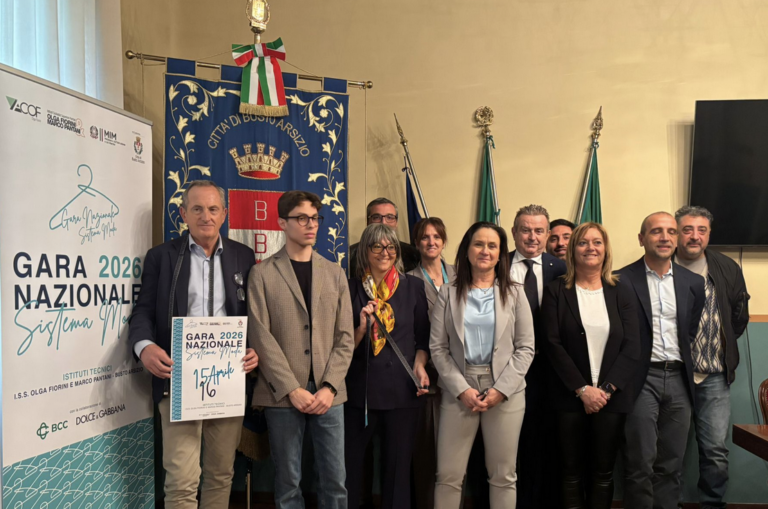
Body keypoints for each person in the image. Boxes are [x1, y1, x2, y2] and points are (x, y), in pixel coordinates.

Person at [129, 180, 258, 509]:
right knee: (182, 481)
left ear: (224, 213)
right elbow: (143, 311)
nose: (206, 216)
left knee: (221, 475)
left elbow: (255, 314)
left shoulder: (244, 256)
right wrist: (144, 346)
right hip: (178, 380)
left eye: (213, 209)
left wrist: (254, 347)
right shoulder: (161, 257)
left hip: (227, 381)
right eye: (197, 209)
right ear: (183, 214)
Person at [247, 191, 354, 509]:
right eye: (302, 218)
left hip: (329, 393)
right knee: (287, 483)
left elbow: (345, 337)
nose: (311, 225)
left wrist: (330, 387)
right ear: (282, 222)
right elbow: (261, 336)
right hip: (281, 393)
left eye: (315, 218)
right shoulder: (262, 273)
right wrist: (291, 389)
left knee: (335, 481)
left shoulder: (335, 273)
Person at [431, 221, 535, 508]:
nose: (485, 251)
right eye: (478, 244)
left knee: (503, 475)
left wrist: (501, 390)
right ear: (467, 249)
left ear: (501, 254)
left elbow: (526, 348)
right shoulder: (448, 292)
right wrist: (461, 389)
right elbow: (438, 348)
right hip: (458, 390)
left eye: (492, 246)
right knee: (448, 475)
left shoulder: (515, 293)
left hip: (505, 390)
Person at [542, 222, 640, 508]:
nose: (590, 248)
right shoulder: (556, 290)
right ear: (573, 249)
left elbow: (632, 346)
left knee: (603, 472)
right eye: (583, 242)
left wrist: (605, 391)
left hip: (611, 398)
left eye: (597, 242)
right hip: (568, 396)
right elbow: (552, 343)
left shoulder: (622, 290)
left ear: (605, 249)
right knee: (570, 472)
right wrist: (582, 389)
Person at [617, 211, 705, 509]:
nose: (665, 237)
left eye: (671, 232)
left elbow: (689, 330)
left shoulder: (693, 282)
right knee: (640, 461)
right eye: (656, 231)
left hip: (680, 379)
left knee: (671, 462)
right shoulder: (620, 280)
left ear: (677, 239)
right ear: (642, 238)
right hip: (640, 380)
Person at [345, 223, 431, 509]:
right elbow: (341, 346)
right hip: (358, 392)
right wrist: (361, 327)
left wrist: (420, 366)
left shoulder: (414, 287)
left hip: (403, 391)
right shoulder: (349, 288)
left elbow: (422, 339)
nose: (385, 252)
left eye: (391, 246)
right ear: (364, 251)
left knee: (397, 470)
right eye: (377, 246)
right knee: (351, 468)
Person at [674, 205, 750, 509]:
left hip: (715, 376)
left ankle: (712, 505)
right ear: (676, 233)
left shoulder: (727, 267)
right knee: (669, 452)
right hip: (672, 376)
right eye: (687, 229)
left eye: (701, 230)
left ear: (708, 234)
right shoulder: (662, 264)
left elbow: (739, 317)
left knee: (715, 451)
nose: (695, 236)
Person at [510, 204, 566, 509]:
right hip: (506, 368)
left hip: (550, 370)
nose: (532, 237)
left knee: (545, 442)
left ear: (547, 234)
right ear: (514, 232)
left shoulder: (562, 269)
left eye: (539, 231)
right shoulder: (497, 265)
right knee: (508, 444)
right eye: (526, 230)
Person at [406, 217, 456, 509]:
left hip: (462, 373)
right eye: (425, 237)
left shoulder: (461, 274)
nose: (431, 242)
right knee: (427, 449)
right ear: (417, 243)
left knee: (456, 453)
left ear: (444, 241)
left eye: (436, 236)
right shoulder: (409, 280)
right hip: (428, 374)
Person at [348, 197, 420, 276]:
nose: (383, 222)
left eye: (390, 217)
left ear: (396, 223)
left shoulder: (413, 255)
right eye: (376, 217)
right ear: (368, 222)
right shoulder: (349, 255)